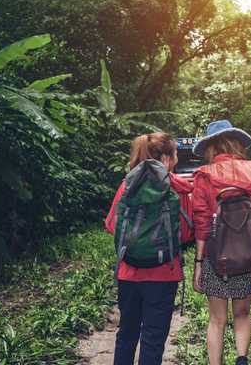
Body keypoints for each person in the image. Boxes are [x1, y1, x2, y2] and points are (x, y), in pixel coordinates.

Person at [191, 120, 251, 365]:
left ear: (211, 148)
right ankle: (241, 358)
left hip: (216, 257)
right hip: (249, 254)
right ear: (237, 144)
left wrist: (199, 262)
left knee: (216, 320)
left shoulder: (204, 176)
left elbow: (202, 222)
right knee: (242, 314)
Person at [104, 132, 193, 365]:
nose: (175, 160)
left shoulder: (127, 185)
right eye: (174, 155)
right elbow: (185, 233)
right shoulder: (178, 189)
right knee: (153, 339)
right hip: (164, 273)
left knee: (126, 334)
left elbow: (111, 224)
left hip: (128, 272)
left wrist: (137, 238)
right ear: (165, 158)